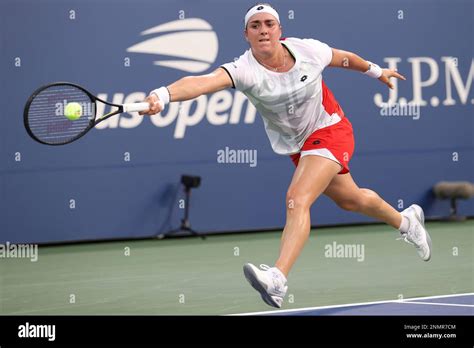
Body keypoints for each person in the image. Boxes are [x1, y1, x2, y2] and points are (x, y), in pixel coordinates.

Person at [140, 3, 432, 308]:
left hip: (331, 129)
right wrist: (162, 95)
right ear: (246, 34)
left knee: (298, 198)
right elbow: (201, 83)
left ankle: (277, 278)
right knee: (351, 199)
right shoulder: (244, 70)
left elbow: (344, 59)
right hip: (299, 146)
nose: (263, 30)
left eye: (269, 24)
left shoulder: (309, 51)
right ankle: (407, 221)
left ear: (280, 30)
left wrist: (376, 71)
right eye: (255, 26)